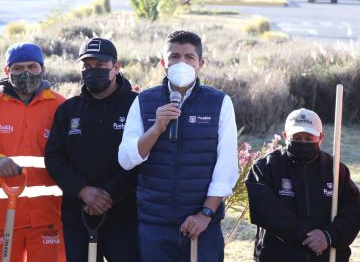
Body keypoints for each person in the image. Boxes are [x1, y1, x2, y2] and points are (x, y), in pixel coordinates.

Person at [119, 30, 238, 262]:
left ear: (200, 64)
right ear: (163, 63)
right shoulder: (143, 101)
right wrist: (156, 128)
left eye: (189, 57)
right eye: (174, 57)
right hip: (155, 224)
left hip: (203, 225)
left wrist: (205, 215)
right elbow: (126, 159)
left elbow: (226, 169)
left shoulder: (220, 103)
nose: (181, 63)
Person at [45, 37, 139, 262]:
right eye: (86, 66)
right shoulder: (68, 110)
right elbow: (55, 158)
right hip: (78, 216)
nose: (92, 71)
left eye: (99, 65)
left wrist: (109, 194)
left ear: (115, 67)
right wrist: (83, 190)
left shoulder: (137, 106)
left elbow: (143, 158)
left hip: (125, 217)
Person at [245, 108, 360, 262]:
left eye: (309, 137)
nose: (303, 142)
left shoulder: (336, 170)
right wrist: (308, 235)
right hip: (277, 256)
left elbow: (354, 209)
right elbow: (266, 211)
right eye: (297, 137)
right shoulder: (265, 168)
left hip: (327, 257)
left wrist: (329, 235)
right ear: (285, 136)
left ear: (321, 137)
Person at [0, 42, 66, 261]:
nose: (25, 73)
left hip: (49, 218)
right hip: (2, 219)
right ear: (6, 71)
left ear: (42, 69)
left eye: (32, 67)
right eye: (18, 68)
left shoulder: (61, 106)